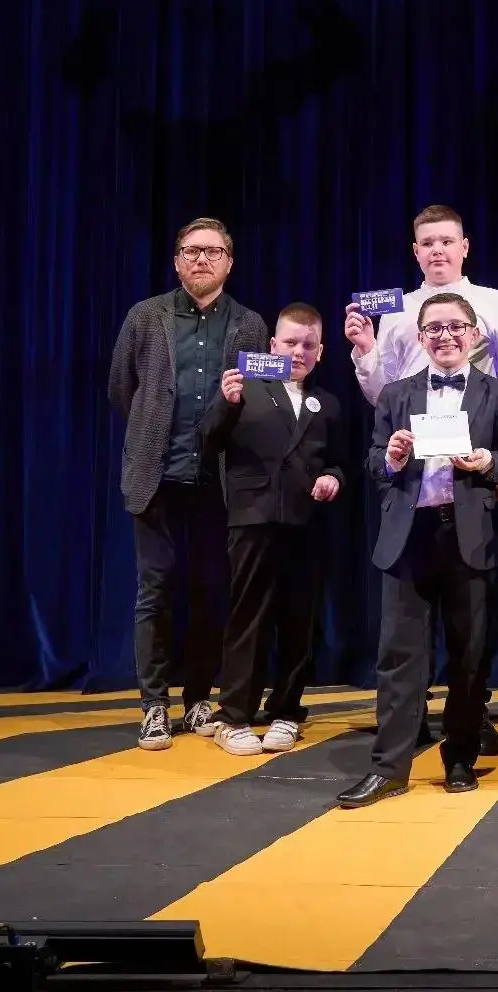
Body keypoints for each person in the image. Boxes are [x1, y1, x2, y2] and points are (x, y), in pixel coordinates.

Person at [344, 204, 498, 756]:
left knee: (474, 621)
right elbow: (384, 395)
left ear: (464, 246)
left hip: (473, 473)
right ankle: (409, 720)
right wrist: (365, 352)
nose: (438, 250)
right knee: (406, 623)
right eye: (427, 243)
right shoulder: (397, 310)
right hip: (413, 479)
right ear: (415, 251)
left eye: (447, 241)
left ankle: (471, 720)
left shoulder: (495, 302)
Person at [108, 217, 269, 751]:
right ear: (177, 261)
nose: (202, 259)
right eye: (191, 250)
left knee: (209, 593)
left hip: (217, 482)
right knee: (154, 593)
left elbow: (259, 401)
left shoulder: (249, 325)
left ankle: (199, 697)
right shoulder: (145, 316)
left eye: (213, 251)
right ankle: (154, 705)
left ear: (229, 262)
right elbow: (122, 389)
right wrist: (153, 430)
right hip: (155, 477)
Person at [199, 303, 344, 756]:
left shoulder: (329, 404)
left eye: (308, 345)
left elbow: (338, 460)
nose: (298, 352)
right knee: (249, 618)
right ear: (272, 345)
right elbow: (208, 441)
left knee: (300, 620)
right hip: (253, 518)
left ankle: (286, 710)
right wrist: (225, 404)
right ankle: (234, 715)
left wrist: (333, 477)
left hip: (305, 523)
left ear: (320, 351)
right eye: (290, 343)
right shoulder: (245, 389)